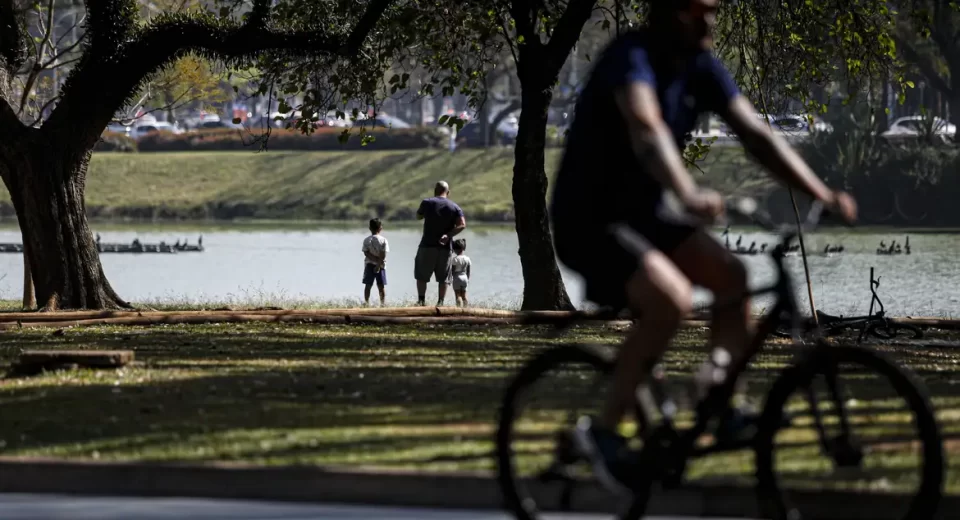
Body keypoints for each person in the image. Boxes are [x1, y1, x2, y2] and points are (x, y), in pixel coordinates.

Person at [549, 0, 858, 492]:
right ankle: (603, 432)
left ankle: (724, 404)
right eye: (697, 10)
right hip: (590, 219)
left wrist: (820, 190)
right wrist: (687, 193)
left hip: (646, 217)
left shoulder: (701, 67)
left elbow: (756, 134)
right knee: (669, 301)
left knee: (732, 277)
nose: (709, 20)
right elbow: (646, 129)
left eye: (714, 9)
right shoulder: (632, 58)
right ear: (669, 13)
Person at [415, 181, 466, 306]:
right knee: (444, 278)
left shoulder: (427, 202)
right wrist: (448, 235)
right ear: (448, 192)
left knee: (422, 275)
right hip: (445, 248)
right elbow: (462, 225)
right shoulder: (455, 207)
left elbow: (418, 216)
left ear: (435, 191)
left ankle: (421, 301)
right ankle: (440, 302)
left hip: (427, 245)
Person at [361, 218, 389, 306]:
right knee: (381, 286)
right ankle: (382, 304)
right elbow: (383, 254)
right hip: (381, 266)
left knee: (368, 285)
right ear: (380, 228)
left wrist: (374, 261)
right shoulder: (384, 240)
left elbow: (366, 253)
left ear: (370, 228)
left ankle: (366, 303)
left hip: (369, 265)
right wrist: (378, 263)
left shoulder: (366, 240)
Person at [451, 239, 472, 307]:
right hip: (465, 277)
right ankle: (465, 308)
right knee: (464, 296)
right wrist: (467, 279)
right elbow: (468, 271)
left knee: (457, 295)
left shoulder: (455, 259)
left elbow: (453, 271)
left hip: (457, 277)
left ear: (455, 249)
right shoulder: (467, 258)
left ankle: (458, 308)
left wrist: (451, 278)